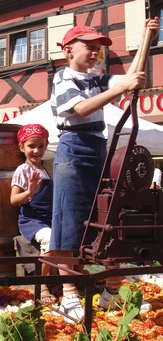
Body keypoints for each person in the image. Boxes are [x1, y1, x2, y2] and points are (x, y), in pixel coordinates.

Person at [50, 17, 160, 322]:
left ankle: (111, 290)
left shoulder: (98, 78)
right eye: (90, 46)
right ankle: (69, 292)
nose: (96, 52)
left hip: (99, 147)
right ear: (69, 50)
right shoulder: (63, 78)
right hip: (73, 149)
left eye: (100, 48)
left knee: (108, 216)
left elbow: (131, 77)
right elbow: (81, 109)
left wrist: (146, 36)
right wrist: (122, 87)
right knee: (69, 220)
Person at [10, 124, 55, 304]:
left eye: (41, 146)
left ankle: (70, 278)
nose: (37, 150)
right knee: (51, 238)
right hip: (32, 220)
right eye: (31, 146)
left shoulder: (44, 170)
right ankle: (42, 283)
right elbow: (13, 200)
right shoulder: (23, 170)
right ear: (22, 147)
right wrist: (29, 192)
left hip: (48, 218)